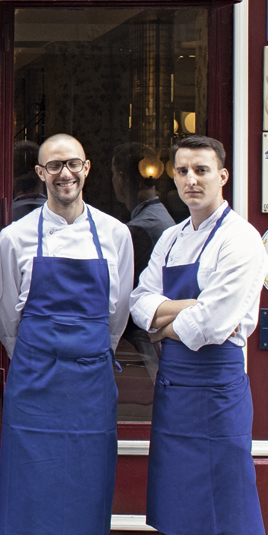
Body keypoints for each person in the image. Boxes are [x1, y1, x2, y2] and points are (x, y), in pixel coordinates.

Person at [121, 135, 268, 535]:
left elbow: (214, 327)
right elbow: (139, 302)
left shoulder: (242, 240)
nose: (190, 180)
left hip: (216, 389)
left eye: (201, 171)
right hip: (174, 387)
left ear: (223, 176)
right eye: (182, 172)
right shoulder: (170, 238)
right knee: (174, 497)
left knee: (232, 509)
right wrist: (179, 310)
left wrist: (168, 316)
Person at [0, 134, 134, 535]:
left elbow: (116, 316)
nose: (64, 174)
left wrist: (86, 350)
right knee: (28, 491)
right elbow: (6, 314)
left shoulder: (116, 235)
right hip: (34, 382)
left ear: (87, 167)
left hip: (91, 384)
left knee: (91, 493)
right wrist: (37, 353)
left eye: (72, 164)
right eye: (54, 166)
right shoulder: (15, 237)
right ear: (39, 173)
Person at [111, 142, 174, 378]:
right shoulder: (159, 216)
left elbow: (122, 293)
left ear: (120, 178)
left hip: (143, 338)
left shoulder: (139, 229)